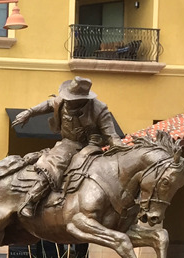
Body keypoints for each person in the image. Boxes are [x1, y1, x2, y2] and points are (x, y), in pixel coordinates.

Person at [12, 76, 122, 217]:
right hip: (68, 143)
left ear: (84, 99)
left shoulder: (99, 109)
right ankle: (31, 199)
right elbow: (48, 104)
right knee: (53, 163)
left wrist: (121, 149)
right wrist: (29, 112)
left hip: (90, 145)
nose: (68, 102)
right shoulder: (61, 102)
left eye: (73, 100)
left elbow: (111, 135)